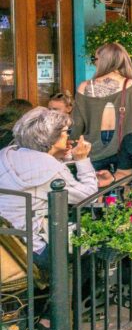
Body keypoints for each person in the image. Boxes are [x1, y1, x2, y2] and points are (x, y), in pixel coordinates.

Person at [0, 107, 97, 270]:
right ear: (52, 136)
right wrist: (82, 160)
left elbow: (37, 177)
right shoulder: (48, 167)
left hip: (12, 245)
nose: (69, 136)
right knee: (100, 240)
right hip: (40, 250)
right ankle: (79, 294)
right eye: (67, 132)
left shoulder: (7, 154)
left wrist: (60, 156)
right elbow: (88, 197)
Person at [71, 43, 132, 174]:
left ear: (103, 61)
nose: (94, 63)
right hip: (126, 154)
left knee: (94, 193)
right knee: (126, 191)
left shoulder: (84, 87)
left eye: (95, 59)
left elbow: (77, 126)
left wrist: (72, 148)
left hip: (92, 154)